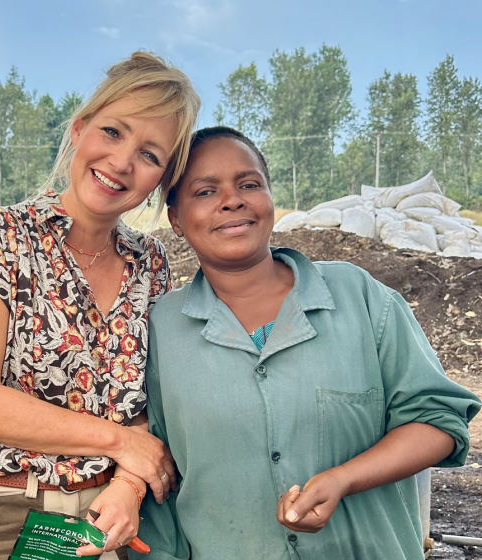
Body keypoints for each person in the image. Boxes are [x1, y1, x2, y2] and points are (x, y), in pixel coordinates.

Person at [132, 126, 482, 560]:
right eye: (205, 192)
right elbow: (161, 474)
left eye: (249, 184)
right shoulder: (160, 329)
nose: (232, 200)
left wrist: (345, 478)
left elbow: (439, 421)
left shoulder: (358, 297)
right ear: (177, 220)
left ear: (269, 199)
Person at [0, 52, 201, 559]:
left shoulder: (151, 264)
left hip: (120, 519)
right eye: (114, 132)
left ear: (161, 180)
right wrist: (119, 444)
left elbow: (153, 398)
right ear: (79, 130)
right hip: (6, 512)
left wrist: (130, 486)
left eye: (149, 154)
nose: (122, 162)